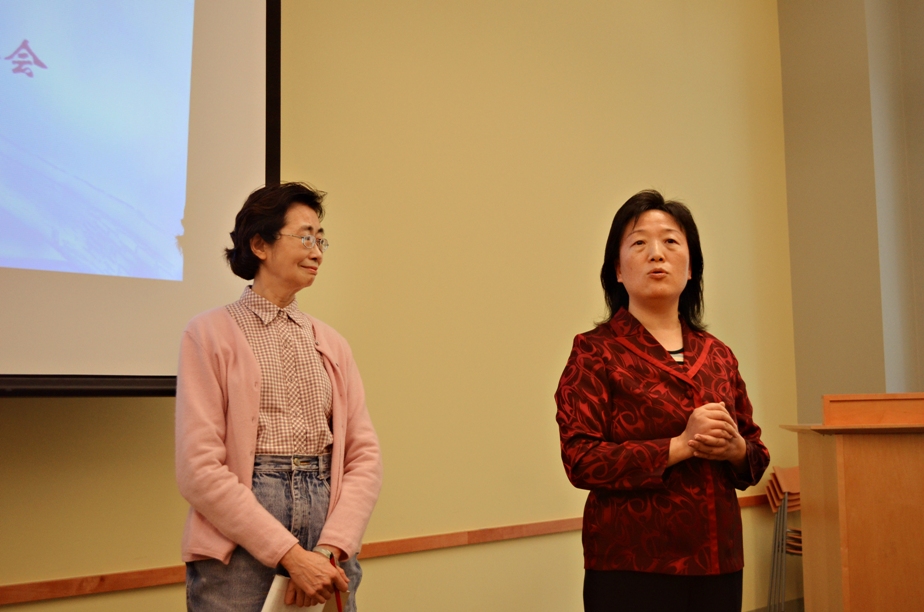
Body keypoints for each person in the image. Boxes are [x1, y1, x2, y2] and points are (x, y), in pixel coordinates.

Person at [555, 190, 770, 612]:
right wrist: (680, 445)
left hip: (719, 560)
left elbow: (756, 458)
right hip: (632, 565)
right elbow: (581, 460)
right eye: (639, 243)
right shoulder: (594, 351)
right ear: (618, 271)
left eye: (671, 241)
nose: (657, 253)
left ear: (691, 269)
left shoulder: (719, 355)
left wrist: (736, 450)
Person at [175, 182, 382, 611]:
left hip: (328, 528)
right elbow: (198, 469)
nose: (317, 252)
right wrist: (290, 556)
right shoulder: (208, 333)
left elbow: (364, 457)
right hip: (240, 540)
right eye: (305, 237)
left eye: (321, 240)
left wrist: (328, 551)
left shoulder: (332, 343)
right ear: (259, 245)